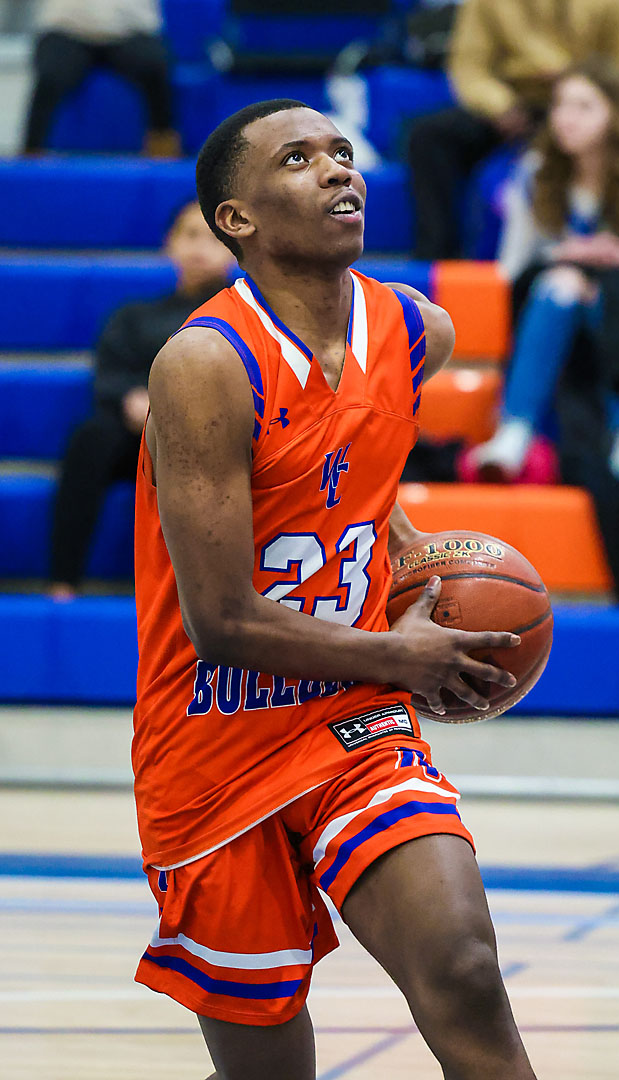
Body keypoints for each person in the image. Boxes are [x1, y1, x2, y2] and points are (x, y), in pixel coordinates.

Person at [132, 98, 538, 1079]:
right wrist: (407, 653)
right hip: (212, 741)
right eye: (300, 158)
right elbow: (221, 621)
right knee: (269, 1066)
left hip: (353, 725)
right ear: (236, 218)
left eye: (344, 154)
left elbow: (357, 473)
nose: (338, 171)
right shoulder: (204, 365)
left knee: (468, 972)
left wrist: (413, 564)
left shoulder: (415, 330)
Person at [465, 59, 619, 605]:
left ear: (615, 115)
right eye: (562, 105)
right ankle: (516, 432)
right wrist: (562, 255)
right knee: (566, 282)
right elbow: (509, 269)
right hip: (550, 298)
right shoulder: (536, 170)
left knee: (607, 290)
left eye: (583, 106)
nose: (565, 119)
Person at [49, 201, 235, 598]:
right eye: (190, 235)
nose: (202, 247)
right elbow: (109, 379)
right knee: (90, 437)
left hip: (214, 434)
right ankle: (63, 582)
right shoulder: (133, 317)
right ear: (169, 244)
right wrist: (135, 401)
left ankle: (214, 591)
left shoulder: (244, 316)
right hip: (140, 431)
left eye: (214, 238)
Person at [408, 0, 619, 259]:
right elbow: (468, 67)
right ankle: (436, 259)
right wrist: (501, 105)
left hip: (592, 99)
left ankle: (613, 245)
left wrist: (584, 87)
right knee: (429, 136)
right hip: (515, 104)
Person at [24, 0, 180, 156]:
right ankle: (31, 155)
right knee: (50, 76)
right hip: (66, 29)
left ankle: (163, 152)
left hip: (130, 30)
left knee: (155, 68)